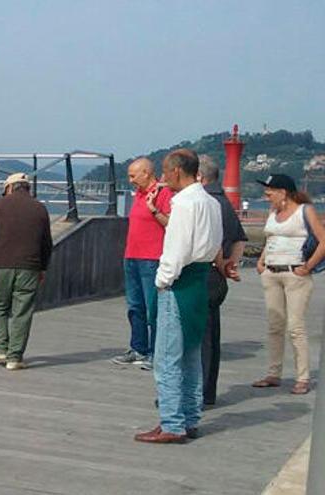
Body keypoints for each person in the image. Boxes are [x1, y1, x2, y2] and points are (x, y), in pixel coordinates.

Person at [135, 149, 222, 444]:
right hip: (200, 279)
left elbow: (176, 249)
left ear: (175, 172)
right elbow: (213, 242)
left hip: (180, 282)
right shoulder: (210, 202)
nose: (162, 177)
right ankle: (189, 417)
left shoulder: (183, 203)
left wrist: (161, 281)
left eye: (164, 171)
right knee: (191, 355)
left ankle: (172, 422)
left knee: (167, 358)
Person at [252, 174, 325, 395]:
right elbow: (272, 238)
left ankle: (302, 376)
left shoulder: (305, 211)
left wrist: (308, 266)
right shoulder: (273, 213)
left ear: (283, 192)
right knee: (275, 326)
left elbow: (323, 240)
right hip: (272, 272)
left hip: (295, 275)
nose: (266, 197)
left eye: (269, 193)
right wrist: (262, 261)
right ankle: (274, 373)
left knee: (296, 327)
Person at [0, 173, 52, 370]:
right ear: (28, 188)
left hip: (1, 265)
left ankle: (1, 349)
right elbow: (46, 243)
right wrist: (43, 267)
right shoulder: (40, 208)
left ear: (9, 188)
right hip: (30, 267)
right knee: (22, 312)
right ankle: (15, 358)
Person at [112, 158, 172, 370]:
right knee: (135, 306)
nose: (130, 180)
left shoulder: (163, 194)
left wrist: (154, 209)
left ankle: (156, 352)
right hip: (132, 256)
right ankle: (138, 347)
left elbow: (172, 224)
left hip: (152, 258)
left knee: (152, 308)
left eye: (133, 176)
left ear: (147, 173)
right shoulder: (139, 194)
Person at [198, 156, 247, 405]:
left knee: (200, 338)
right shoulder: (224, 202)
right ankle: (207, 391)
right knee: (210, 336)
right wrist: (230, 264)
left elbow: (212, 243)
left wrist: (220, 263)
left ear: (199, 177)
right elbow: (239, 238)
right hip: (216, 276)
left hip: (205, 275)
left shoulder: (207, 202)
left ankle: (200, 392)